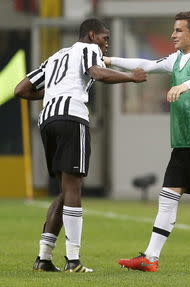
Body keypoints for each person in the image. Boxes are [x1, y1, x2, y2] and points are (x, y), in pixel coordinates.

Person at [103, 11, 190, 273]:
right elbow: (145, 64)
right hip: (184, 142)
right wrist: (110, 60)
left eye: (178, 30)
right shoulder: (177, 58)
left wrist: (184, 86)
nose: (172, 34)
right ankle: (150, 258)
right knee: (167, 196)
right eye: (173, 30)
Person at [14, 18, 147, 272]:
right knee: (74, 187)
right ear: (91, 35)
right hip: (71, 117)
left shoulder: (54, 57)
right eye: (105, 38)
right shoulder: (88, 49)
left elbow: (21, 89)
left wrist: (53, 91)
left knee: (65, 190)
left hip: (47, 120)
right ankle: (73, 261)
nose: (106, 44)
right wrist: (131, 77)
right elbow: (96, 72)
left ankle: (43, 258)